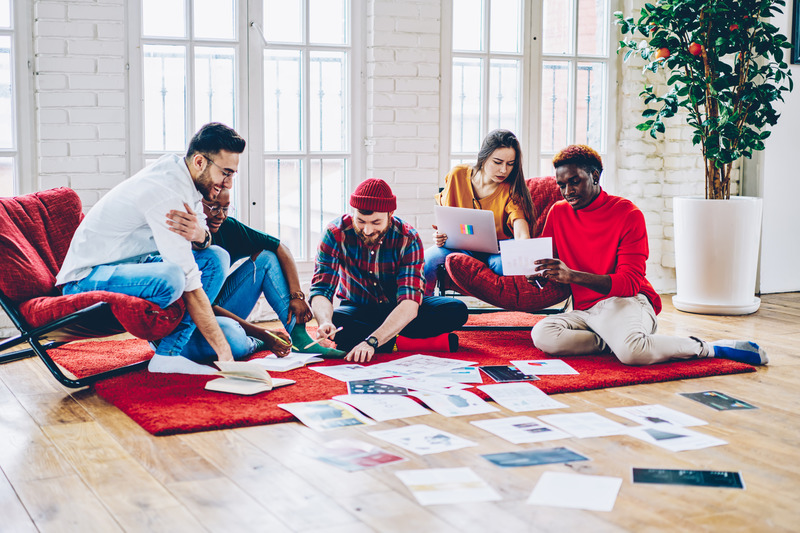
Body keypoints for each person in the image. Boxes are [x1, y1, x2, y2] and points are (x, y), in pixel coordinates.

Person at [529, 145, 768, 367]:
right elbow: (547, 259)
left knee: (633, 353)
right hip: (587, 311)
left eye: (574, 182)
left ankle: (709, 348)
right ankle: (613, 340)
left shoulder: (627, 214)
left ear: (594, 176)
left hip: (628, 302)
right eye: (561, 185)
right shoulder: (558, 212)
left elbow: (630, 284)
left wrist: (572, 276)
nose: (567, 191)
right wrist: (541, 274)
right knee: (543, 335)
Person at [56, 122, 248, 375]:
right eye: (226, 173)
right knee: (173, 277)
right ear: (200, 162)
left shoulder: (182, 174)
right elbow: (188, 280)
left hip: (129, 268)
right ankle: (170, 353)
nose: (229, 184)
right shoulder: (166, 193)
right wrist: (226, 357)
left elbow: (203, 234)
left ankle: (168, 354)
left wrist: (201, 236)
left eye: (232, 174)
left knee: (215, 257)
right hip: (85, 279)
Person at [168, 188, 346, 359]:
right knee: (233, 340)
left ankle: (300, 338)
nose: (220, 215)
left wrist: (297, 295)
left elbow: (280, 247)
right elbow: (200, 305)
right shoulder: (177, 240)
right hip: (181, 326)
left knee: (267, 258)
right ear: (196, 205)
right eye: (213, 207)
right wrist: (263, 334)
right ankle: (255, 342)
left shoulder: (227, 227)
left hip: (215, 311)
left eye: (225, 208)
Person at [309, 178, 469, 362]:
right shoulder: (334, 233)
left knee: (455, 310)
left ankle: (381, 339)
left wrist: (372, 341)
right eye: (360, 221)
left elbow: (410, 303)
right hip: (358, 309)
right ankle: (406, 341)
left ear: (390, 214)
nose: (367, 230)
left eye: (376, 222)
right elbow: (321, 289)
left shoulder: (408, 238)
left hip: (401, 308)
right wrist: (325, 321)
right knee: (337, 321)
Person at [424, 129, 536, 295]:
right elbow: (446, 220)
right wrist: (440, 236)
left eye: (510, 164)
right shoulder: (458, 175)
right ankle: (424, 305)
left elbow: (521, 231)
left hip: (497, 251)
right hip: (459, 247)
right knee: (428, 258)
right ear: (483, 158)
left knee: (502, 265)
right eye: (498, 162)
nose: (504, 170)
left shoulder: (512, 189)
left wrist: (527, 258)